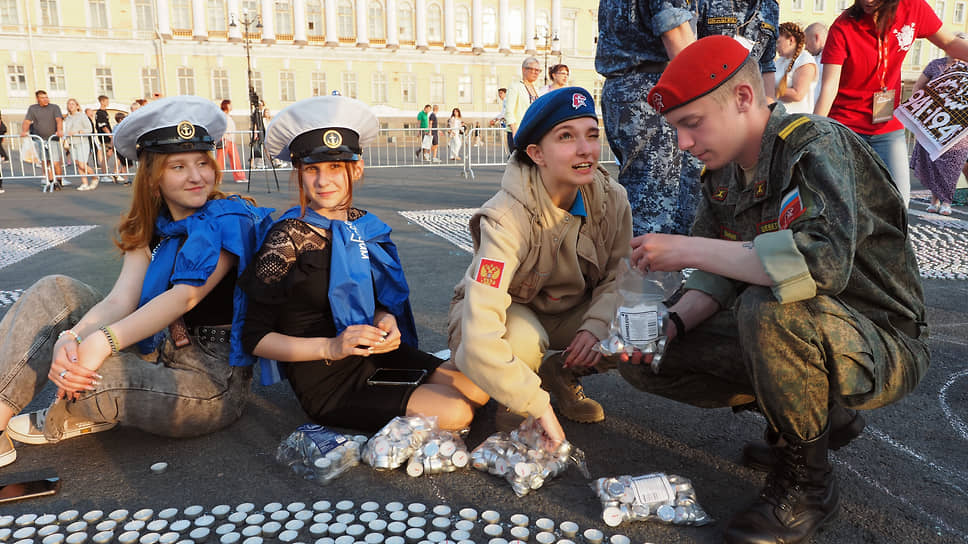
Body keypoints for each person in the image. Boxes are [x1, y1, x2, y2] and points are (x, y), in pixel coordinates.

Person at [622, 36, 928, 544]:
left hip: (880, 339)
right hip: (808, 329)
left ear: (744, 98)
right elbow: (717, 274)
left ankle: (807, 484)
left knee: (770, 309)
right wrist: (667, 326)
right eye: (676, 129)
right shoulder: (722, 173)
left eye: (691, 123)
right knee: (654, 355)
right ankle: (808, 420)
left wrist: (688, 249)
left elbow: (818, 264)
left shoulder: (813, 146)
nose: (682, 143)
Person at [0, 95, 274, 469]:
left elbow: (185, 298)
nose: (197, 176)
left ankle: (78, 409)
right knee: (54, 290)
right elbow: (120, 301)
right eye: (178, 166)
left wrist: (101, 343)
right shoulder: (151, 226)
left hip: (206, 382)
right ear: (153, 176)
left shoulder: (228, 219)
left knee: (97, 374)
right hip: (151, 347)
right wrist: (74, 337)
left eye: (202, 163)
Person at [241, 96, 488, 431]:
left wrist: (386, 319)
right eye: (312, 169)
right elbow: (254, 337)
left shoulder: (365, 226)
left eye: (334, 168)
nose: (323, 181)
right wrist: (331, 345)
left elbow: (378, 301)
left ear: (356, 169)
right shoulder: (286, 239)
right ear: (299, 173)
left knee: (479, 391)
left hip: (373, 354)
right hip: (327, 376)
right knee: (458, 413)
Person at [447, 87, 633, 437]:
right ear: (536, 153)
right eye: (566, 137)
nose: (585, 150)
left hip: (570, 311)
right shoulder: (505, 217)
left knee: (642, 322)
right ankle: (514, 405)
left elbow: (618, 274)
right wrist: (537, 405)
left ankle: (561, 375)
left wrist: (595, 325)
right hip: (514, 311)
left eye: (592, 136)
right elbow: (480, 332)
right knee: (521, 338)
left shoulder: (613, 199)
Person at [815, 0, 968, 207]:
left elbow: (949, 42)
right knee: (847, 207)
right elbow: (829, 86)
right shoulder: (843, 27)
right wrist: (815, 133)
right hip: (846, 128)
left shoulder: (913, 8)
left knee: (898, 205)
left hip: (888, 127)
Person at [595, 0, 700, 235]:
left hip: (627, 88)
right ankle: (651, 269)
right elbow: (677, 35)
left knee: (642, 191)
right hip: (652, 90)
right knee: (658, 200)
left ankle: (640, 264)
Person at [909, 39, 968, 216]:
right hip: (935, 121)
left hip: (958, 124)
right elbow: (918, 87)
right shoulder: (936, 65)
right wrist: (919, 109)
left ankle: (947, 201)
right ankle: (935, 200)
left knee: (952, 163)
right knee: (934, 161)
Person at [694, 0, 779, 97]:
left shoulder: (771, 6)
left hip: (749, 99)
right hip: (709, 95)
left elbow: (767, 63)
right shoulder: (703, 2)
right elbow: (688, 53)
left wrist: (768, 104)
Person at [21, 90, 64, 189]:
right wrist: (24, 131)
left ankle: (59, 180)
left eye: (46, 97)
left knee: (55, 162)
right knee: (45, 161)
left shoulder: (54, 107)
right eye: (43, 98)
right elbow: (27, 121)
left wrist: (59, 130)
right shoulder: (33, 108)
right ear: (37, 99)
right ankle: (51, 180)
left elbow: (59, 120)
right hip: (40, 139)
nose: (46, 99)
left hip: (53, 138)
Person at [773, 22, 817, 114]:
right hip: (779, 117)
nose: (776, 47)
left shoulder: (805, 60)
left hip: (797, 119)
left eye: (778, 42)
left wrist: (768, 90)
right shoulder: (780, 61)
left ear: (791, 40)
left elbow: (798, 94)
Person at [504, 57, 542, 154]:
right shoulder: (515, 86)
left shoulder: (537, 89)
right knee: (518, 164)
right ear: (523, 69)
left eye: (538, 70)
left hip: (533, 132)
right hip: (518, 131)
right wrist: (514, 131)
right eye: (532, 69)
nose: (535, 72)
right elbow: (509, 110)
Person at [63, 98, 97, 191]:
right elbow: (66, 130)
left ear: (77, 106)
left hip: (82, 142)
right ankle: (84, 183)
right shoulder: (67, 118)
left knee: (82, 164)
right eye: (69, 104)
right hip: (72, 143)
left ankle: (95, 177)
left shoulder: (82, 116)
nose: (71, 106)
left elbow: (89, 129)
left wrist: (77, 132)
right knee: (78, 164)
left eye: (73, 104)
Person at [217, 100, 247, 183]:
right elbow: (220, 128)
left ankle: (239, 177)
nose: (231, 106)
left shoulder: (228, 116)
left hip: (231, 140)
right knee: (220, 160)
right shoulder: (222, 116)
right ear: (226, 106)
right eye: (230, 105)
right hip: (224, 139)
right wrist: (223, 136)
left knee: (235, 158)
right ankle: (218, 178)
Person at [804, 22, 828, 106]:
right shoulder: (812, 59)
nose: (805, 47)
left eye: (806, 42)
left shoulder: (830, 61)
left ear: (816, 38)